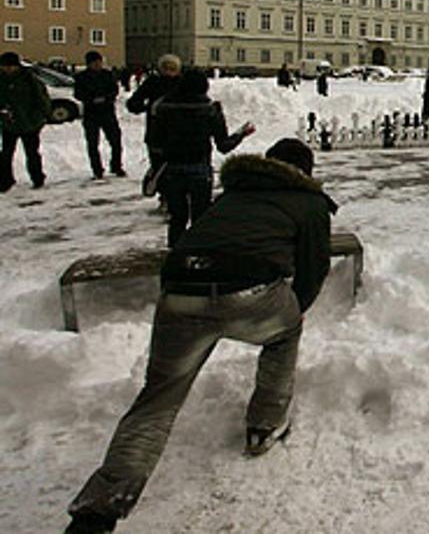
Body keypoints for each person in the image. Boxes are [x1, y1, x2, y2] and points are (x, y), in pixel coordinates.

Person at [65, 139, 336, 533]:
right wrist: (295, 307)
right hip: (251, 294)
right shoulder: (310, 203)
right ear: (305, 173)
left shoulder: (231, 195)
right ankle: (264, 425)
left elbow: (193, 243)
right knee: (284, 334)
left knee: (157, 400)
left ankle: (98, 510)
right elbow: (314, 269)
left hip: (180, 292)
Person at [152, 69, 255, 248]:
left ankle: (175, 255)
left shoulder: (163, 108)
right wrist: (241, 134)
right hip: (199, 168)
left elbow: (154, 141)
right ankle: (198, 254)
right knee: (200, 216)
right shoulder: (209, 109)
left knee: (177, 217)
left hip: (172, 169)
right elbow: (223, 146)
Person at [127, 54, 183, 189]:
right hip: (156, 131)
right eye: (166, 67)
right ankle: (163, 195)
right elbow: (133, 103)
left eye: (172, 68)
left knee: (176, 166)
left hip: (179, 131)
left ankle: (175, 196)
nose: (169, 71)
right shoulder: (153, 82)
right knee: (159, 165)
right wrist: (148, 108)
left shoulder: (183, 83)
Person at [0, 51, 50, 192]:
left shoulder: (29, 79)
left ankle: (37, 178)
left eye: (11, 66)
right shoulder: (1, 80)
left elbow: (41, 100)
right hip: (9, 123)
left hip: (30, 123)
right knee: (6, 154)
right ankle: (5, 180)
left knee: (32, 153)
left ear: (17, 66)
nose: (8, 69)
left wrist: (40, 117)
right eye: (5, 66)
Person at [74, 51, 126, 180]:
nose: (98, 65)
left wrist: (106, 98)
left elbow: (114, 90)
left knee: (116, 141)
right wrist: (91, 99)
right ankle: (97, 169)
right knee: (92, 143)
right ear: (89, 64)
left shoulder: (107, 75)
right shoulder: (82, 77)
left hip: (107, 112)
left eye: (99, 62)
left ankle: (116, 166)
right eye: (95, 63)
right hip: (91, 113)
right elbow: (78, 94)